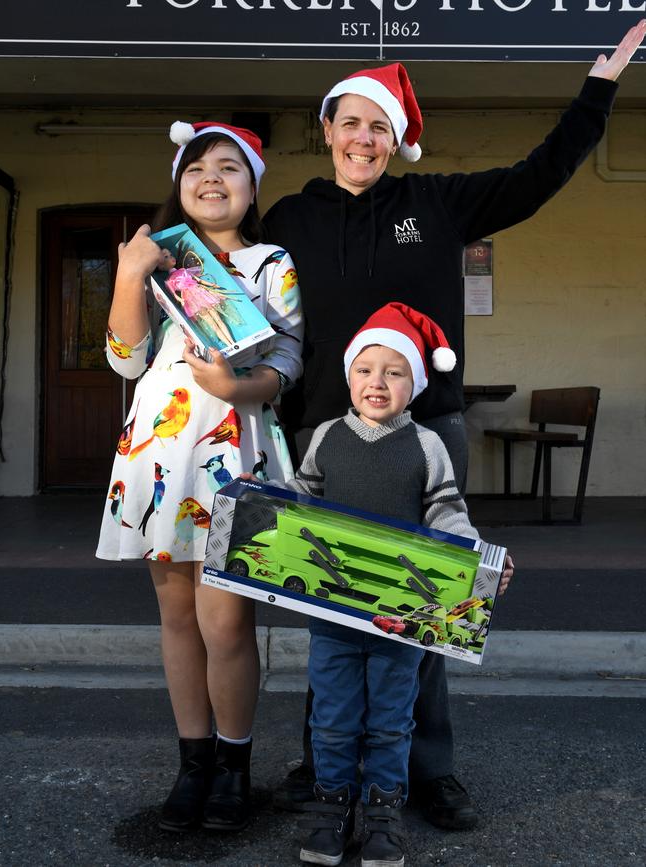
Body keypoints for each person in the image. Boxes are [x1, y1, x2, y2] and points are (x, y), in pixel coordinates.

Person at [263, 20, 646, 829]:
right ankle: (324, 756)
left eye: (379, 126)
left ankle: (425, 768)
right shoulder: (290, 218)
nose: (363, 139)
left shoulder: (436, 202)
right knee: (328, 599)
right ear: (326, 129)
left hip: (426, 432)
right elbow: (237, 299)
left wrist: (598, 89)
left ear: (394, 139)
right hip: (322, 436)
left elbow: (540, 175)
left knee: (424, 600)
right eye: (350, 122)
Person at [96, 120, 303, 833]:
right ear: (179, 185)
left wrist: (243, 386)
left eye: (228, 168)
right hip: (161, 449)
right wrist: (128, 273)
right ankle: (193, 764)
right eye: (196, 168)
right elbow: (125, 358)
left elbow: (291, 356)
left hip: (236, 448)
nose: (211, 179)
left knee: (227, 621)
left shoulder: (272, 261)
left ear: (251, 188)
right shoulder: (159, 256)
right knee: (178, 617)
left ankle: (235, 767)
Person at [285, 303, 508, 867]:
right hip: (332, 616)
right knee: (332, 719)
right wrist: (261, 508)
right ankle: (331, 808)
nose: (377, 382)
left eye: (394, 371)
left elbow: (449, 517)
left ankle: (384, 813)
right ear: (347, 377)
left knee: (390, 720)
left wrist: (479, 561)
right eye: (365, 369)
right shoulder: (326, 438)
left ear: (415, 382)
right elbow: (300, 502)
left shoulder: (427, 446)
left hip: (400, 621)